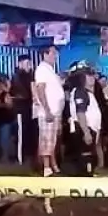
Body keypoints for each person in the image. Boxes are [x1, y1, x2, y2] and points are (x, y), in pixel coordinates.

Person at [61, 62, 100, 176]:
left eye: (92, 74)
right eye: (89, 75)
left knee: (86, 160)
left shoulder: (85, 92)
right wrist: (86, 132)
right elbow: (80, 113)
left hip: (86, 129)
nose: (92, 77)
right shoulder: (80, 91)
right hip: (82, 129)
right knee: (85, 161)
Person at [32, 46, 64, 176]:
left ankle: (53, 165)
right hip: (48, 112)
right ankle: (46, 168)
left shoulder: (51, 70)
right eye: (53, 53)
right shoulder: (42, 69)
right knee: (46, 139)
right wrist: (47, 110)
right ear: (45, 54)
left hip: (55, 111)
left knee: (53, 140)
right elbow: (40, 90)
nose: (55, 55)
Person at [10, 54, 37, 167]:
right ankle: (19, 158)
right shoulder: (18, 76)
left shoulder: (30, 75)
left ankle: (28, 156)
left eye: (29, 63)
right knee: (20, 134)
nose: (28, 66)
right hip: (21, 109)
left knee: (28, 133)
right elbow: (23, 93)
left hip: (29, 109)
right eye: (26, 63)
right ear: (19, 64)